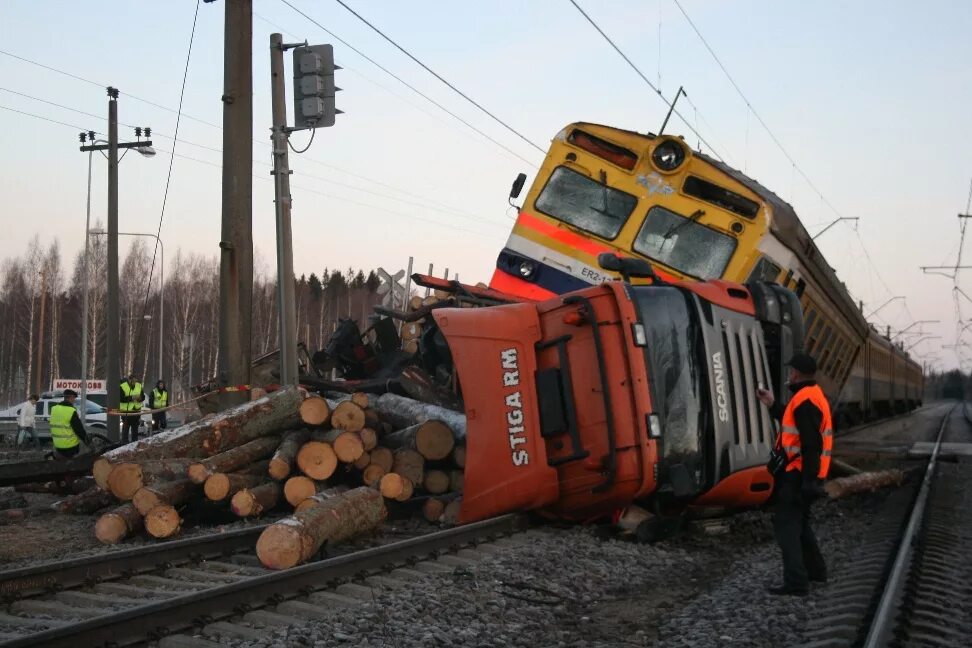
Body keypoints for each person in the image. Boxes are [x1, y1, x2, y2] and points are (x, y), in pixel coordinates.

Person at [756, 353, 833, 596]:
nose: (789, 374)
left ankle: (797, 582)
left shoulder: (805, 401)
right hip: (805, 474)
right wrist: (772, 404)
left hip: (798, 475)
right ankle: (816, 571)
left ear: (797, 373)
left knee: (786, 526)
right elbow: (796, 427)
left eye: (791, 371)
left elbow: (812, 444)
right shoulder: (810, 396)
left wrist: (809, 481)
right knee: (800, 524)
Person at [49, 389, 89, 458]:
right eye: (74, 398)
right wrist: (87, 441)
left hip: (57, 445)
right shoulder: (71, 411)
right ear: (71, 398)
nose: (74, 401)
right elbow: (79, 429)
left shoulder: (54, 409)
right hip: (70, 447)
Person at [119, 372, 144, 444]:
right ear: (129, 380)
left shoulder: (139, 386)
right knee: (125, 429)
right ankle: (124, 443)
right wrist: (132, 398)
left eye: (135, 381)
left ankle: (134, 443)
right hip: (126, 412)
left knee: (135, 429)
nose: (134, 382)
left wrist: (140, 398)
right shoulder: (123, 386)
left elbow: (143, 397)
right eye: (133, 381)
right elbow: (121, 398)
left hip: (136, 411)